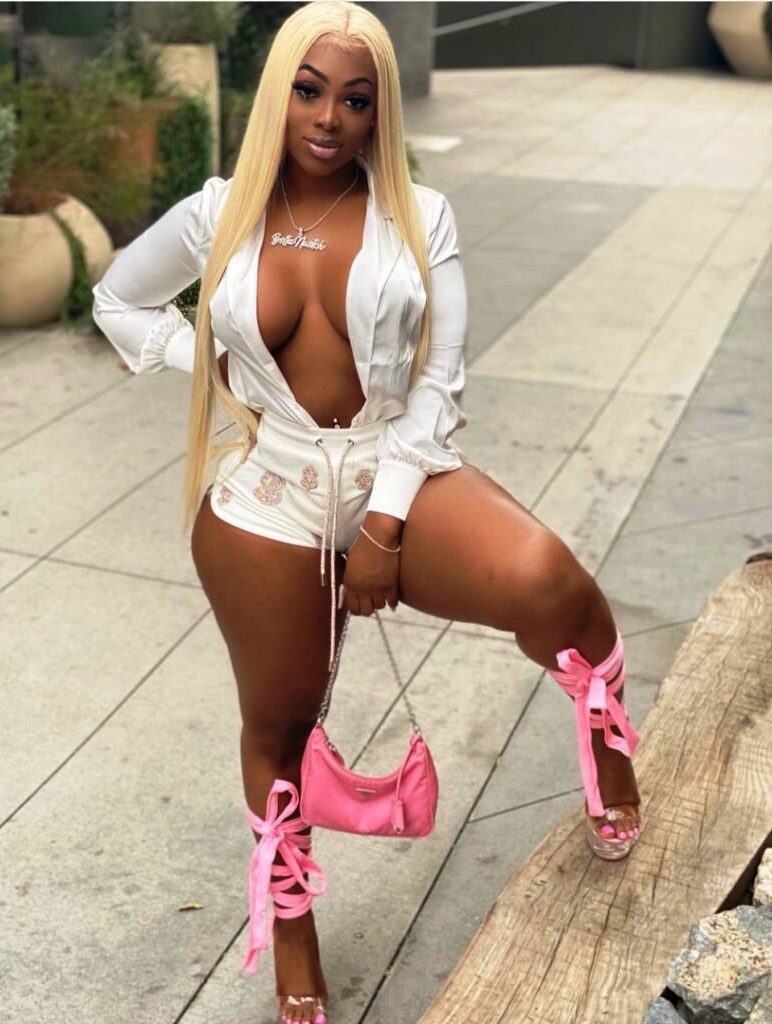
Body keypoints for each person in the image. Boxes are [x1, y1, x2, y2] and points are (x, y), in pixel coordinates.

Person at [91, 3, 642, 1021]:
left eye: (356, 99)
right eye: (309, 91)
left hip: (399, 463)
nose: (329, 118)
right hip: (272, 487)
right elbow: (118, 299)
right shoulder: (218, 213)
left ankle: (608, 739)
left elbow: (440, 382)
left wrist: (384, 526)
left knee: (549, 583)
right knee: (280, 722)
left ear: (378, 112)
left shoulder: (419, 215)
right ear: (278, 93)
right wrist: (203, 365)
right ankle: (293, 926)